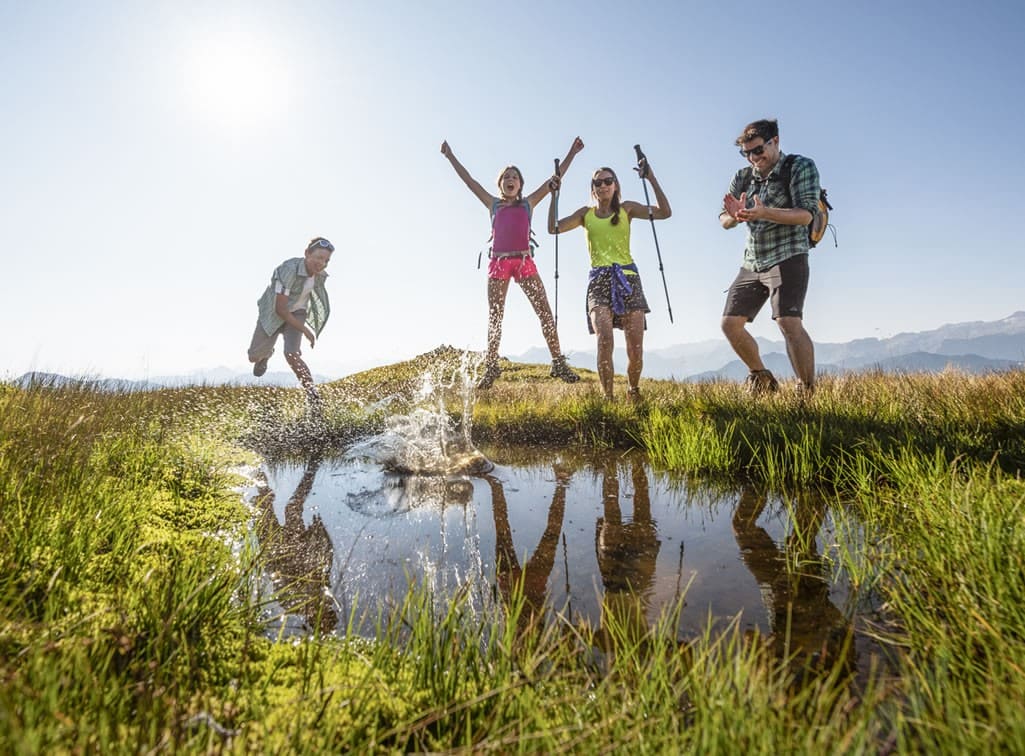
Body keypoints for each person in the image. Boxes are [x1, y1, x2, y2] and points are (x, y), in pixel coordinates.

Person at [441, 138, 584, 390]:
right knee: (495, 316)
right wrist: (450, 156)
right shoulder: (493, 204)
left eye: (514, 177)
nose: (510, 179)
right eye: (506, 177)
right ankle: (491, 366)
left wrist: (572, 152)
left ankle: (558, 363)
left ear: (520, 184)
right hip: (498, 264)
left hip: (524, 262)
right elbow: (469, 182)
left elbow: (555, 178)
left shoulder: (529, 203)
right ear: (500, 184)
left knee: (544, 312)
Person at [548, 159, 671, 401]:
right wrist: (554, 195)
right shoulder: (586, 215)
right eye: (598, 182)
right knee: (604, 340)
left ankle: (633, 391)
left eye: (608, 181)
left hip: (628, 278)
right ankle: (608, 397)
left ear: (615, 185)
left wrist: (651, 178)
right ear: (592, 188)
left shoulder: (628, 209)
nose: (603, 185)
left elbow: (665, 213)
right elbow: (554, 228)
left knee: (635, 348)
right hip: (599, 280)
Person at [719, 119, 820, 394]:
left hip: (789, 253)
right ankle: (762, 377)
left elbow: (805, 215)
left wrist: (765, 213)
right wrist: (735, 216)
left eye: (758, 150)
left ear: (775, 141)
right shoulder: (742, 176)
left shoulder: (800, 167)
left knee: (788, 322)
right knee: (730, 325)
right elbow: (723, 218)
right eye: (747, 153)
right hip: (753, 260)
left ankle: (806, 390)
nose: (753, 157)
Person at [247, 237, 333, 408]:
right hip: (273, 312)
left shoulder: (319, 275)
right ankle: (266, 355)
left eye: (326, 260)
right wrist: (306, 331)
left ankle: (313, 396)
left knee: (292, 354)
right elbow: (280, 310)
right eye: (318, 257)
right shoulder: (288, 269)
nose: (322, 263)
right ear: (307, 254)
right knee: (253, 356)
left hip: (298, 312)